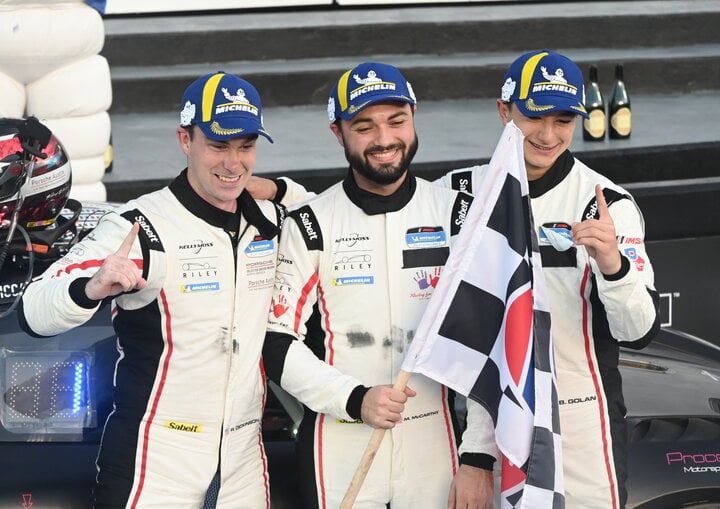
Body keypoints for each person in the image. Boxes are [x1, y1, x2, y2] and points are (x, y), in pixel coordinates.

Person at [18, 71, 308, 508]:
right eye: (218, 145)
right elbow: (34, 310)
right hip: (157, 458)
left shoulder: (270, 219)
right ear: (185, 140)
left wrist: (275, 187)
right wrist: (90, 289)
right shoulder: (141, 226)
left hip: (244, 457)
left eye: (245, 147)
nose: (234, 163)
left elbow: (325, 212)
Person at [262, 62, 496, 509]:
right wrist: (355, 400)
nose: (384, 139)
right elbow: (275, 342)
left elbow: (491, 345)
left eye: (396, 121)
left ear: (414, 116)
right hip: (338, 438)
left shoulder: (457, 215)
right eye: (364, 126)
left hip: (437, 441)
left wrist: (479, 457)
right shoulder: (310, 224)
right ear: (338, 132)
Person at [437, 50, 660, 509]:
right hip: (492, 428)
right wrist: (281, 190)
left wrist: (613, 266)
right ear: (504, 111)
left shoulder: (606, 203)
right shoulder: (456, 194)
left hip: (583, 427)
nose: (548, 134)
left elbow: (638, 332)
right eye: (534, 115)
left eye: (563, 120)